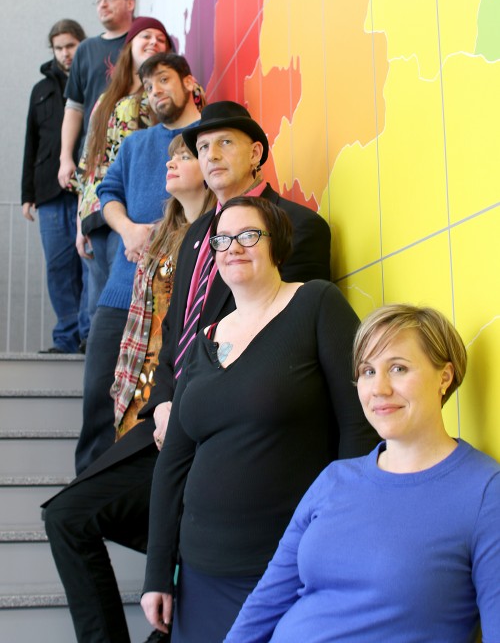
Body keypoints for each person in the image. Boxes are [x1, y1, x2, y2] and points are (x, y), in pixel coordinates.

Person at [44, 99, 333, 643]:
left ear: (257, 153)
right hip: (174, 419)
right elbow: (179, 336)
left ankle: (177, 598)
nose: (212, 153)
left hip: (241, 430)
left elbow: (286, 343)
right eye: (203, 146)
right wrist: (161, 405)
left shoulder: (300, 228)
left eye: (226, 142)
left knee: (188, 530)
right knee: (67, 517)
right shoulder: (198, 236)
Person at [141, 196, 378, 642]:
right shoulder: (204, 341)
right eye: (223, 239)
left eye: (249, 235)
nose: (234, 246)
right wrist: (157, 572)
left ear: (278, 245)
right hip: (198, 574)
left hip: (286, 568)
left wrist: (342, 533)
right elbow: (173, 463)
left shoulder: (315, 304)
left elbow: (358, 425)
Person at [223, 304, 500, 643]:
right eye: (368, 372)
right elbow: (265, 603)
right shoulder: (334, 480)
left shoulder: (484, 492)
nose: (378, 389)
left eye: (398, 368)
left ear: (444, 376)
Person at [44, 136, 214, 643]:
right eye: (173, 156)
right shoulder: (162, 234)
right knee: (72, 514)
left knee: (78, 517)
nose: (172, 162)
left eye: (184, 156)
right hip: (143, 411)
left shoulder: (220, 239)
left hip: (188, 417)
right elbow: (142, 332)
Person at [75, 53, 204, 473]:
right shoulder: (135, 144)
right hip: (122, 288)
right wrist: (128, 229)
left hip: (180, 290)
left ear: (189, 82)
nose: (155, 92)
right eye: (148, 87)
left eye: (164, 80)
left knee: (162, 406)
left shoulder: (207, 139)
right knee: (99, 395)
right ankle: (86, 500)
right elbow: (105, 194)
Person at [76, 16, 173, 318]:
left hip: (137, 215)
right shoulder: (106, 99)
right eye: (145, 36)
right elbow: (90, 161)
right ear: (129, 46)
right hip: (97, 212)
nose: (153, 42)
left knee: (130, 307)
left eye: (160, 38)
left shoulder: (171, 95)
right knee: (98, 309)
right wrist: (81, 222)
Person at [21, 18, 89, 353]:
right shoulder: (41, 90)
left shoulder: (93, 82)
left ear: (82, 45)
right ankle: (66, 337)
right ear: (53, 50)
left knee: (89, 261)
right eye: (59, 48)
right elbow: (30, 144)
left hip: (88, 189)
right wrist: (26, 196)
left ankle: (89, 336)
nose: (65, 54)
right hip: (48, 192)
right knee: (58, 267)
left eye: (71, 46)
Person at [58, 0, 136, 189]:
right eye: (99, 0)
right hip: (94, 154)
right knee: (90, 220)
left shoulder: (144, 40)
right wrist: (65, 158)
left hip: (136, 148)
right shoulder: (85, 49)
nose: (102, 4)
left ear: (130, 3)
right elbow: (74, 107)